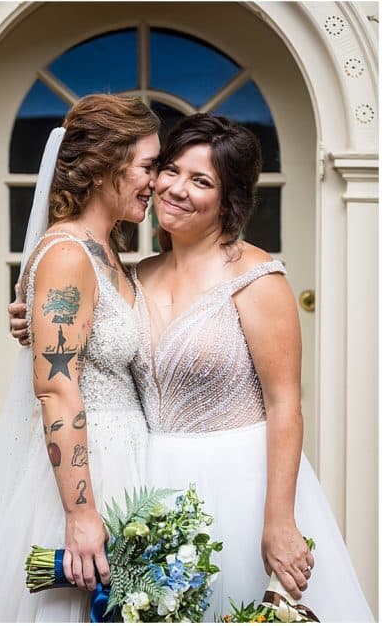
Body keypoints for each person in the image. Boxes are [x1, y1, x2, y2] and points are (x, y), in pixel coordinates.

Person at [130, 115, 372, 620]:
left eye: (201, 181)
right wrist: (30, 320)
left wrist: (280, 520)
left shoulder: (257, 278)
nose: (175, 189)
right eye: (171, 171)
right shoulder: (134, 275)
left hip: (241, 486)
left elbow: (286, 403)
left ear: (229, 198)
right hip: (148, 486)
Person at [0, 94, 160, 621]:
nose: (155, 181)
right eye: (147, 166)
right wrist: (80, 513)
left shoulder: (107, 252)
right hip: (88, 469)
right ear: (104, 167)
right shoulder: (71, 255)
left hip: (126, 456)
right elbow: (55, 386)